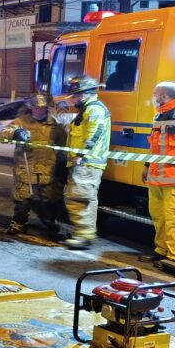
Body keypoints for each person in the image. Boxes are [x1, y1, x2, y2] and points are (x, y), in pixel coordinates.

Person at [138, 81, 175, 267]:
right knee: (158, 216)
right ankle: (161, 251)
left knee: (173, 218)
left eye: (156, 94)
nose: (153, 97)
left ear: (164, 95)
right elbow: (155, 146)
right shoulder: (159, 115)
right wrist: (147, 166)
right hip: (158, 177)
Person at [0, 94, 67, 235]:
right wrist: (16, 133)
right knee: (22, 200)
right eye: (36, 107)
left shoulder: (54, 126)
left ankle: (50, 223)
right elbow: (3, 135)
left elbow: (64, 146)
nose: (39, 110)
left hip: (47, 170)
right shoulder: (21, 122)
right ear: (31, 107)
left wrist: (63, 165)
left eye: (42, 107)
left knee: (49, 200)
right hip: (26, 169)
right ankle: (18, 224)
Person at [62, 75, 111, 249]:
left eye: (74, 96)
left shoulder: (94, 110)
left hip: (87, 163)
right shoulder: (88, 109)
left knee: (79, 198)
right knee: (84, 198)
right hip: (85, 162)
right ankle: (83, 233)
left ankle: (83, 236)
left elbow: (93, 135)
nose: (73, 100)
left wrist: (81, 155)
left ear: (83, 95)